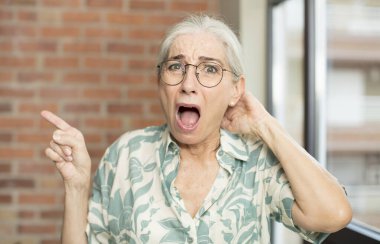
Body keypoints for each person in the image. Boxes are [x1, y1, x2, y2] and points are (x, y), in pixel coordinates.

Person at [42, 14, 352, 244]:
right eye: (176, 66)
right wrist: (77, 186)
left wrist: (265, 124)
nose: (188, 84)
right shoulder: (126, 154)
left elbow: (334, 215)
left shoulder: (256, 160)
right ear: (160, 81)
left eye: (210, 69)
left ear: (236, 90)